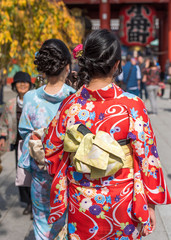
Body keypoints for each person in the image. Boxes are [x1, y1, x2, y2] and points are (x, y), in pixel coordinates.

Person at [42, 29, 171, 239]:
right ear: (116, 64)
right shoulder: (131, 105)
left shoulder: (70, 105)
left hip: (81, 199)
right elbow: (148, 157)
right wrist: (150, 203)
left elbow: (51, 149)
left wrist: (77, 164)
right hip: (122, 199)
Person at [18, 39, 76, 240]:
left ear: (42, 67)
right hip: (67, 173)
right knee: (69, 221)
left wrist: (39, 138)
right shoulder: (74, 99)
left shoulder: (30, 98)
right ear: (67, 67)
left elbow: (25, 132)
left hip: (41, 172)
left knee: (42, 222)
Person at [0, 71, 33, 216]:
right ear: (14, 85)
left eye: (25, 82)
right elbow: (4, 122)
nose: (22, 84)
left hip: (33, 143)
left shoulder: (34, 102)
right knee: (20, 174)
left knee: (33, 173)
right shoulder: (10, 104)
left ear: (30, 85)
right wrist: (2, 137)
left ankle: (34, 203)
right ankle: (27, 201)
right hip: (18, 142)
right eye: (19, 82)